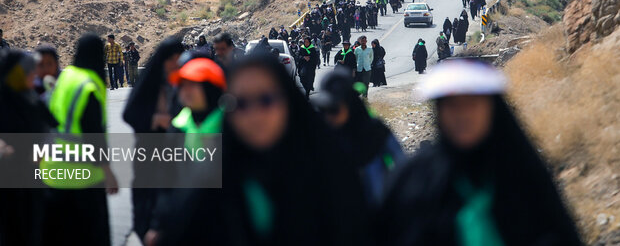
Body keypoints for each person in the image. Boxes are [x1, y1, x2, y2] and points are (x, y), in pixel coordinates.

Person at [149, 54, 369, 246]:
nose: (254, 115)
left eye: (265, 100)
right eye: (241, 104)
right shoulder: (218, 176)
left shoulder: (329, 169)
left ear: (288, 101)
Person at [378, 60, 583, 246]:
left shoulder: (521, 173)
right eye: (452, 105)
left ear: (493, 108)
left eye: (472, 103)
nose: (463, 115)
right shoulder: (414, 179)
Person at [43, 33, 119, 246]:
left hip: (53, 171)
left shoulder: (67, 77)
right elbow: (93, 135)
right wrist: (108, 172)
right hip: (82, 177)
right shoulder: (89, 86)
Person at [122, 38, 184, 241]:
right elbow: (129, 113)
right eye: (173, 59)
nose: (176, 64)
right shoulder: (150, 82)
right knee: (144, 207)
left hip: (174, 154)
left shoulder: (181, 82)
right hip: (147, 152)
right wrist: (154, 119)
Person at [313, 70, 404, 206]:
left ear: (350, 105)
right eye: (324, 110)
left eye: (334, 109)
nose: (329, 116)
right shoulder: (321, 136)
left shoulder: (375, 131)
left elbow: (403, 167)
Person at [0, 49, 58, 246]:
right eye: (29, 71)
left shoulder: (30, 98)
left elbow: (50, 128)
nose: (34, 74)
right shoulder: (4, 102)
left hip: (34, 180)